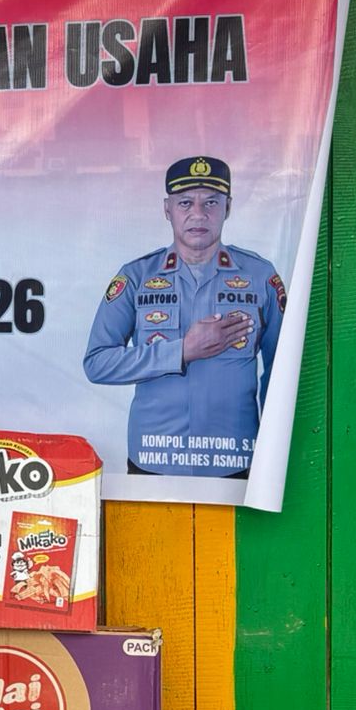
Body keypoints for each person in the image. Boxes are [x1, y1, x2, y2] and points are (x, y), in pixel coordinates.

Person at [83, 156, 284, 478]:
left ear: (228, 207)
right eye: (186, 202)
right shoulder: (136, 277)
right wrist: (181, 351)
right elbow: (97, 362)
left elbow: (282, 373)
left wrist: (276, 447)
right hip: (155, 457)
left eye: (211, 202)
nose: (198, 214)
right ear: (167, 209)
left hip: (234, 457)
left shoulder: (260, 276)